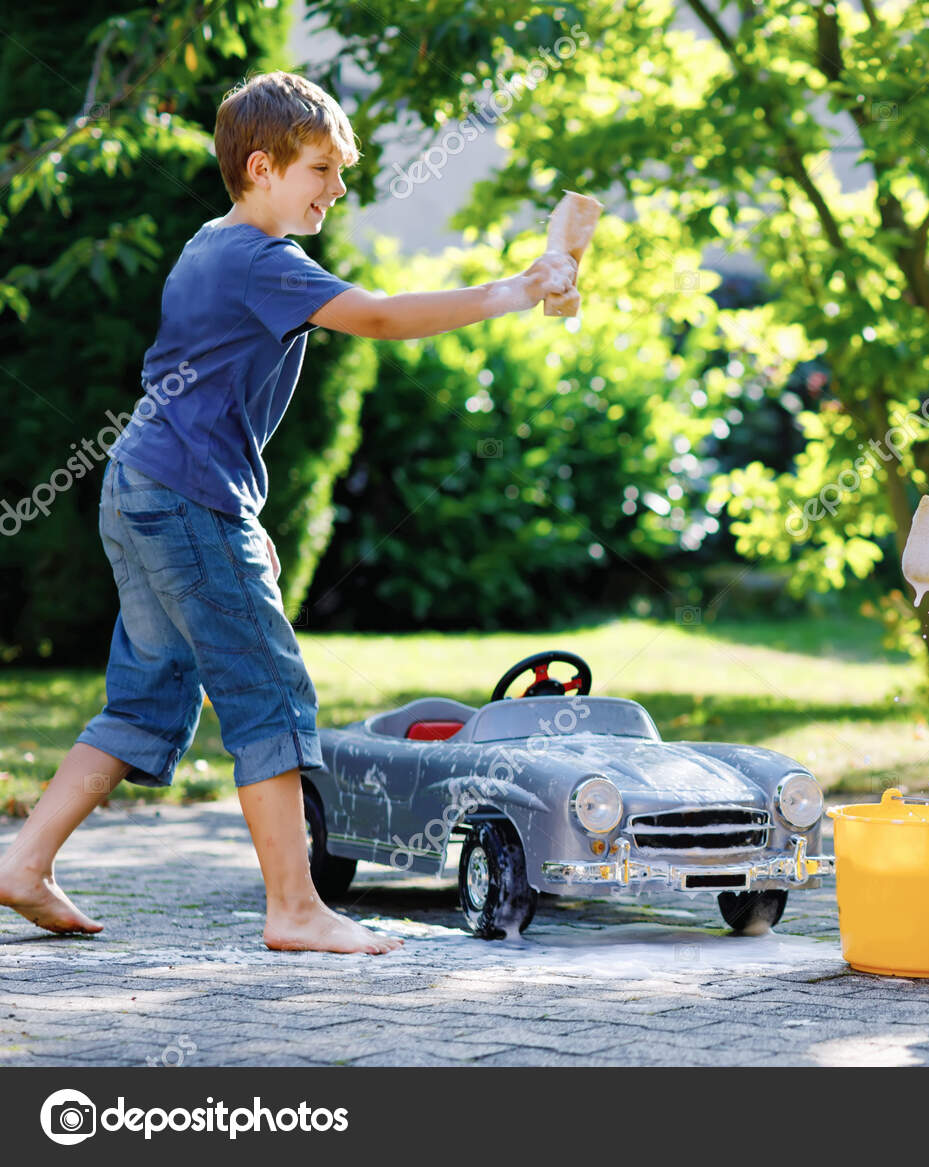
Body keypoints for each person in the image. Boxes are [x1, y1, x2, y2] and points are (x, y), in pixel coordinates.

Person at [0, 71, 578, 955]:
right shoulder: (258, 260)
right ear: (262, 167)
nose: (335, 189)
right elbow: (380, 318)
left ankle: (25, 861)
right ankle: (296, 909)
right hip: (186, 496)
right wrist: (513, 289)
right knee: (268, 690)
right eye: (321, 170)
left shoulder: (208, 245)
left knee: (149, 696)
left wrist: (235, 511)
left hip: (144, 486)